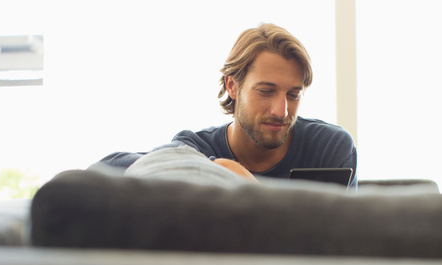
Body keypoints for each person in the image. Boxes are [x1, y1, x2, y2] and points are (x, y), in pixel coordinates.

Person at [99, 23, 357, 187]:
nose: (282, 111)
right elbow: (104, 169)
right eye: (266, 91)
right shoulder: (196, 149)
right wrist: (220, 169)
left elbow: (347, 243)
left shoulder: (329, 148)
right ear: (232, 86)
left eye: (293, 95)